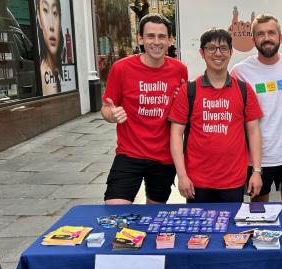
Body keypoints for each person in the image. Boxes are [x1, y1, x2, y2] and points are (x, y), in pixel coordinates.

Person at [101, 14, 188, 204]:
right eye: (150, 36)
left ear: (170, 40)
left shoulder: (179, 69)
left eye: (161, 36)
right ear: (140, 38)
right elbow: (106, 109)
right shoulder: (121, 68)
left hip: (164, 157)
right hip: (129, 153)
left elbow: (181, 111)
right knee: (114, 212)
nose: (156, 42)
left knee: (154, 215)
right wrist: (112, 115)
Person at [169, 28, 263, 203]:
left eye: (223, 48)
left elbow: (254, 132)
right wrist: (181, 175)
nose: (218, 53)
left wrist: (256, 171)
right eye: (211, 48)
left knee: (231, 230)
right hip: (197, 182)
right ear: (202, 53)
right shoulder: (189, 90)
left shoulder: (244, 90)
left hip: (233, 181)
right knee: (198, 230)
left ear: (231, 52)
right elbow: (176, 134)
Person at [231, 13, 282, 230]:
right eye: (260, 34)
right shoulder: (240, 72)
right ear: (253, 40)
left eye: (271, 32)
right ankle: (265, 248)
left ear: (280, 37)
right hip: (257, 160)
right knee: (259, 212)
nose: (266, 38)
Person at [36, 0, 63, 95]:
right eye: (46, 11)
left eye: (55, 13)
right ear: (39, 18)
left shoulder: (57, 69)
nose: (51, 25)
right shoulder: (45, 73)